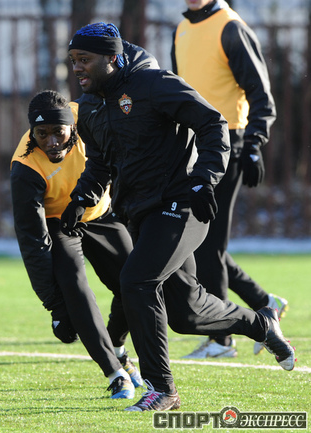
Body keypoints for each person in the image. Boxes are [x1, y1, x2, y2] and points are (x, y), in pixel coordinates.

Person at [64, 21, 295, 412]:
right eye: (73, 60)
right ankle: (262, 323)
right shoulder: (89, 105)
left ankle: (162, 390)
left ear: (111, 58)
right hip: (139, 213)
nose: (77, 68)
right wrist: (82, 197)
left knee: (136, 281)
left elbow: (212, 123)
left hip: (181, 204)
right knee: (187, 314)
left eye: (84, 59)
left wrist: (204, 179)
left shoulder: (153, 84)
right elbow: (101, 161)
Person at [171, 0, 288, 359]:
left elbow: (260, 94)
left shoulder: (231, 27)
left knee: (208, 245)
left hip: (227, 146)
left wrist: (253, 143)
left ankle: (222, 340)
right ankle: (263, 302)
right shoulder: (182, 28)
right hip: (192, 145)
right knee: (204, 243)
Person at [10, 89, 145, 400]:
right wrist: (56, 306)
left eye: (58, 132)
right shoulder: (25, 167)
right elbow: (32, 241)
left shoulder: (90, 120)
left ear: (72, 127)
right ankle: (115, 373)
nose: (51, 142)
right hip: (59, 223)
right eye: (41, 134)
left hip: (99, 213)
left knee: (136, 282)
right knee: (75, 287)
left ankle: (117, 346)